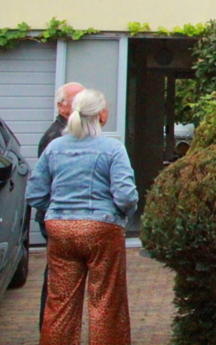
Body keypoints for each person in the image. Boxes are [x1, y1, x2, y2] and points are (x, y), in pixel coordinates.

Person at [27, 89, 138, 345]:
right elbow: (126, 196)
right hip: (102, 229)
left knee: (60, 301)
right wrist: (120, 216)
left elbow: (34, 193)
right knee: (106, 301)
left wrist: (56, 211)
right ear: (102, 114)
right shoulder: (112, 148)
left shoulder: (55, 147)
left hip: (60, 230)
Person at [35, 81, 84, 330]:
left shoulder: (70, 133)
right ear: (61, 106)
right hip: (57, 218)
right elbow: (43, 185)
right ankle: (51, 329)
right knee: (58, 278)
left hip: (61, 217)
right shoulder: (56, 137)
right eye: (76, 101)